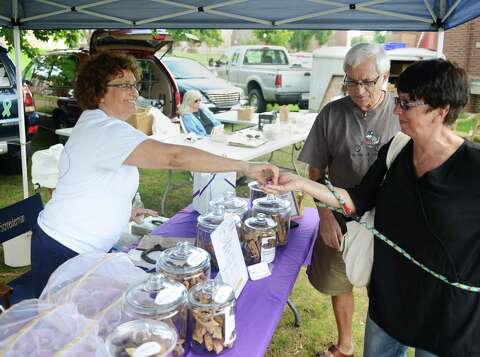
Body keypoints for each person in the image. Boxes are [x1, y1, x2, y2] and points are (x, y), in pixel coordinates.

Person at [266, 59, 478, 356]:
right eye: (397, 100)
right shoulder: (398, 149)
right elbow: (358, 199)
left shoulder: (474, 168)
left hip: (448, 316)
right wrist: (302, 184)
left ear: (440, 110)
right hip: (389, 301)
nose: (394, 110)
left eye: (406, 104)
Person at [31, 52, 279, 296]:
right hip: (64, 250)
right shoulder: (104, 130)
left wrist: (122, 211)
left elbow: (87, 184)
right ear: (98, 91)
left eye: (135, 85)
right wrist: (245, 167)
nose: (135, 93)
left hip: (73, 247)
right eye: (125, 85)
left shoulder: (97, 125)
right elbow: (176, 158)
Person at [298, 43, 400, 357]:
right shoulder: (332, 113)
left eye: (367, 81)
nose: (358, 89)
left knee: (384, 288)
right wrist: (325, 214)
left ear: (384, 76)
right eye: (351, 81)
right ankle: (345, 345)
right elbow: (316, 169)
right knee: (340, 282)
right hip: (338, 214)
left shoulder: (402, 112)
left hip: (388, 218)